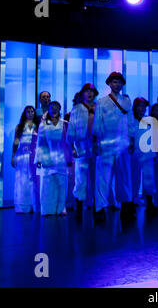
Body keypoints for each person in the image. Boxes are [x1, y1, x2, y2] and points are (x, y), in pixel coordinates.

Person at [92, 72, 135, 222]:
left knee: (124, 176)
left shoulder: (127, 101)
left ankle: (126, 206)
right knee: (103, 178)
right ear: (109, 84)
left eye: (119, 82)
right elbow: (97, 123)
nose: (117, 84)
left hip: (122, 144)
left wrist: (132, 139)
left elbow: (130, 122)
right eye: (114, 82)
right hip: (106, 144)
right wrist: (96, 142)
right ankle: (100, 208)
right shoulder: (102, 102)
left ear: (122, 84)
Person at [35, 101, 72, 216]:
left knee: (62, 184)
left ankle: (61, 208)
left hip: (61, 157)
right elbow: (40, 143)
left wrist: (70, 157)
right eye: (52, 108)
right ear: (49, 110)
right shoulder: (43, 125)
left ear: (59, 109)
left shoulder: (65, 124)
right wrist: (39, 160)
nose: (54, 109)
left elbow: (69, 143)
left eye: (56, 107)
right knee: (47, 184)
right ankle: (47, 210)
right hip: (48, 158)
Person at [67, 84, 98, 219]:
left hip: (97, 147)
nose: (89, 94)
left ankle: (99, 206)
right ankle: (79, 206)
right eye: (87, 91)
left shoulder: (99, 108)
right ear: (83, 94)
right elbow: (71, 129)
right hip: (81, 147)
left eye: (91, 91)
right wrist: (72, 147)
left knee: (97, 177)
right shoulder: (77, 109)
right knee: (81, 177)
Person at [130, 97, 157, 215]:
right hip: (134, 154)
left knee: (149, 178)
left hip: (147, 154)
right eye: (140, 106)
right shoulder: (130, 121)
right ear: (135, 108)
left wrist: (155, 152)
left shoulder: (149, 121)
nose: (142, 108)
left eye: (144, 106)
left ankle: (150, 201)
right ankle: (131, 201)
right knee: (134, 178)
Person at [11, 106, 39, 213]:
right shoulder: (19, 127)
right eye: (28, 111)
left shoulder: (38, 126)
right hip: (22, 155)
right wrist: (13, 156)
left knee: (33, 179)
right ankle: (23, 205)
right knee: (22, 179)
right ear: (24, 113)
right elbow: (16, 141)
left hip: (34, 156)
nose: (31, 113)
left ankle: (33, 204)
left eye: (32, 111)